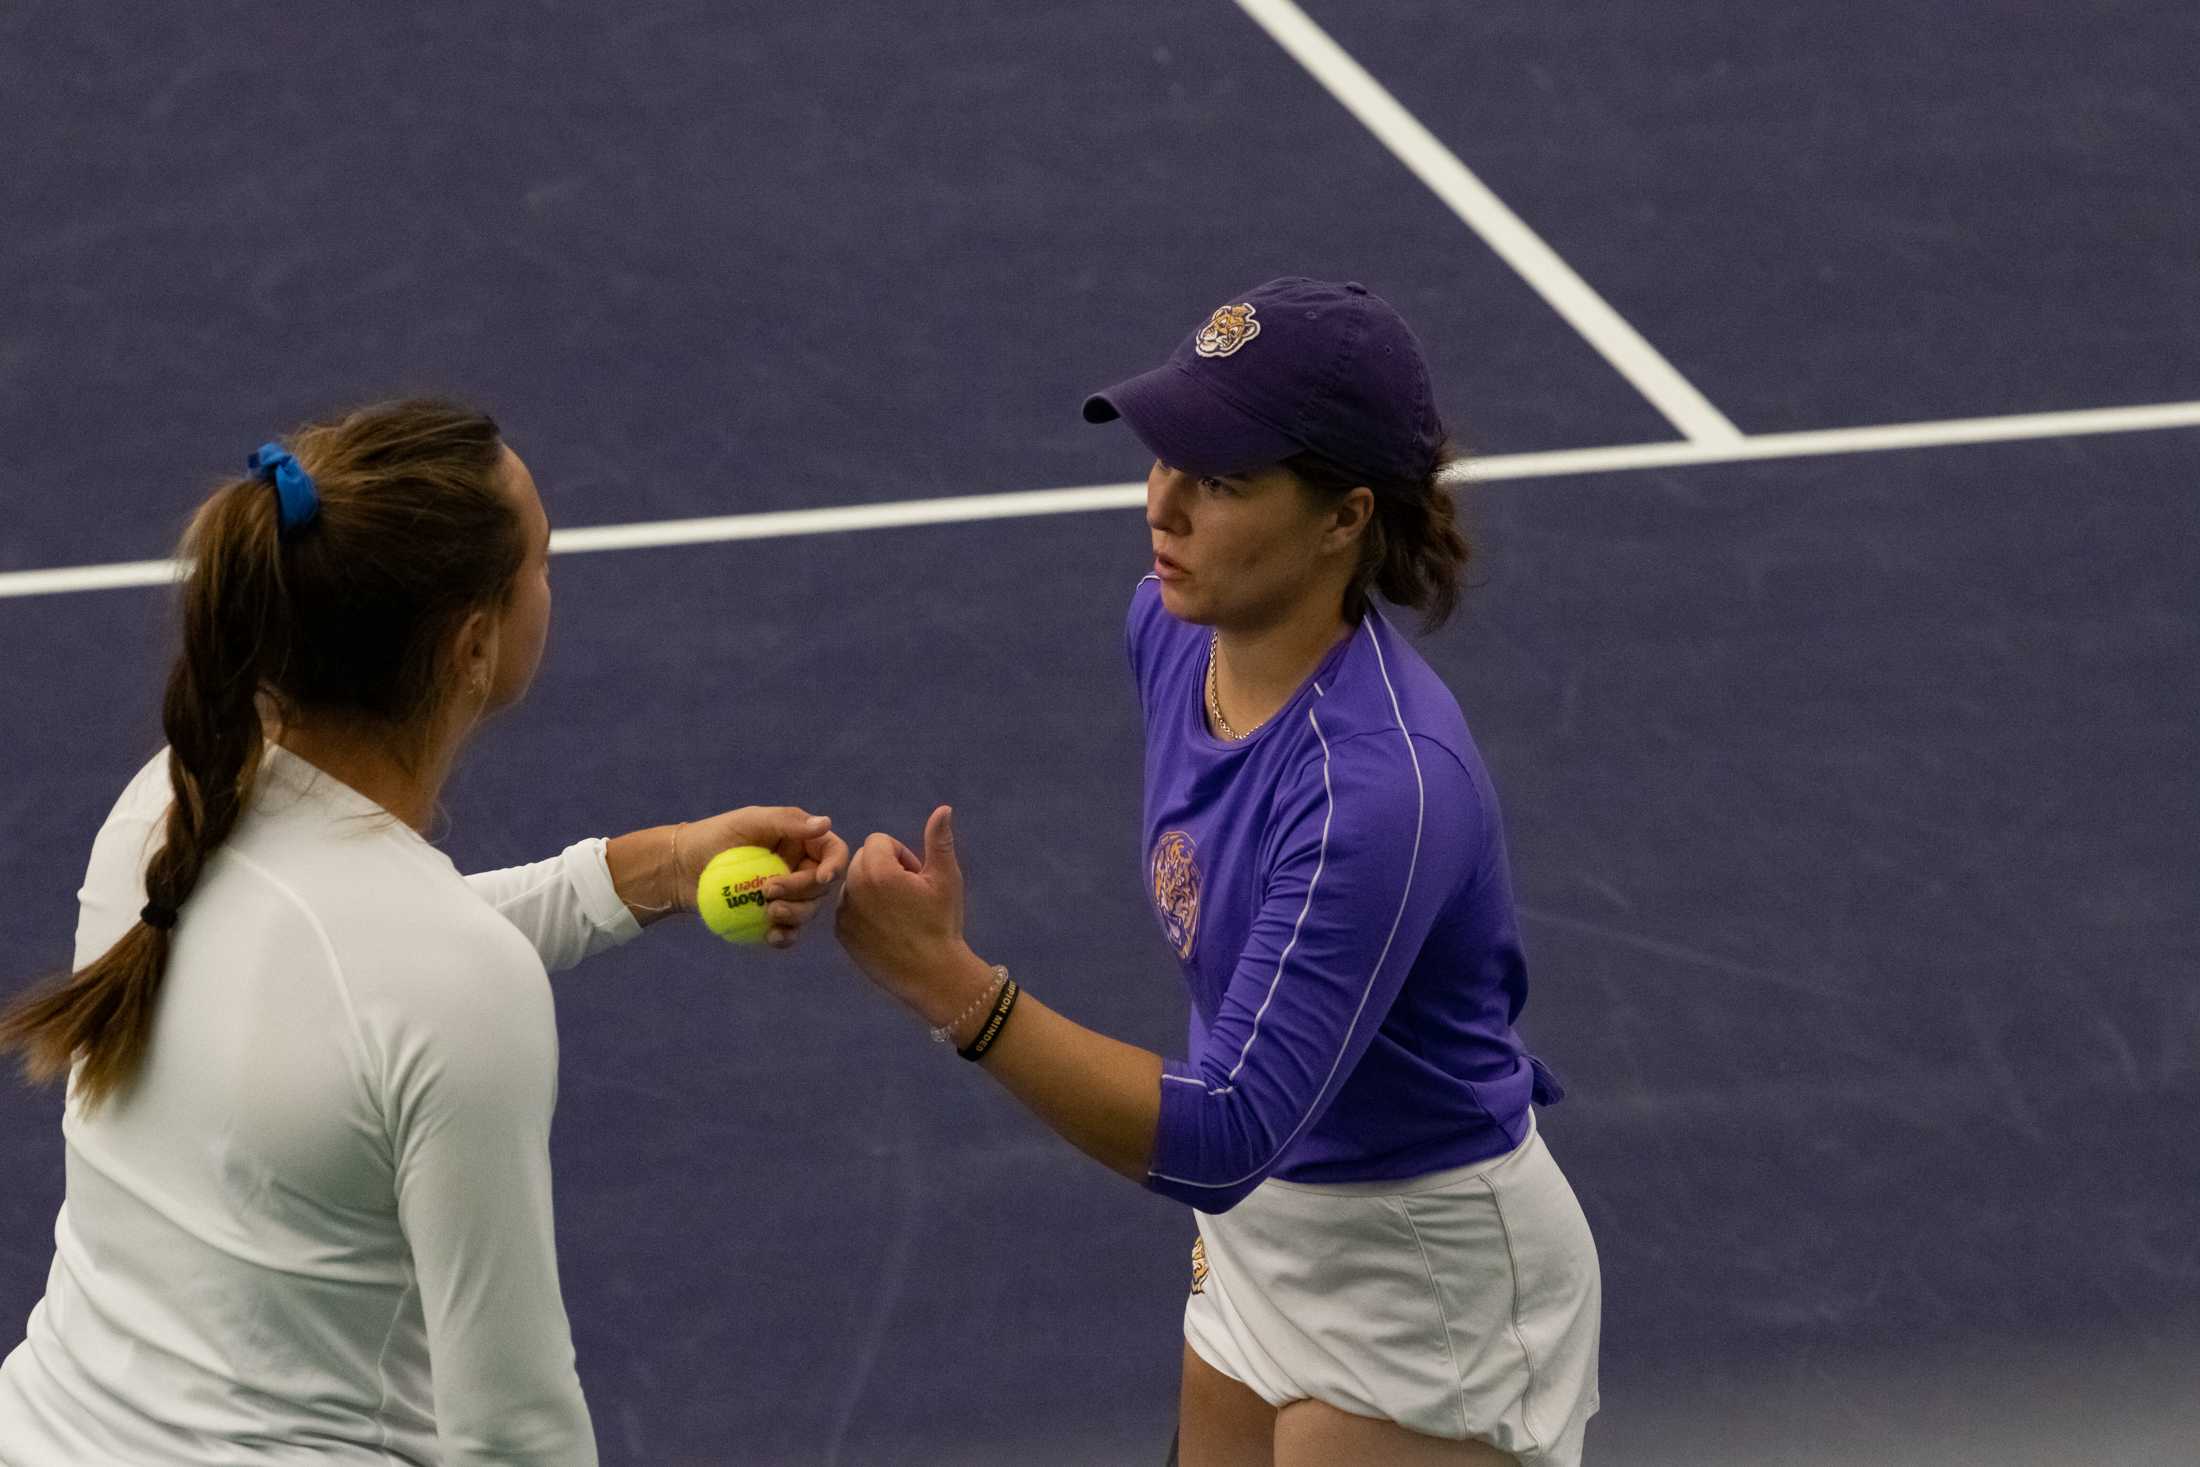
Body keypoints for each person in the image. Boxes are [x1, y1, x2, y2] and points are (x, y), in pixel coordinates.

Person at [834, 279, 1601, 1466]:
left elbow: (1231, 1125)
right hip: (1257, 1238)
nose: (1165, 505)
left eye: (1224, 479)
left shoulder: (1375, 790)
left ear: (1344, 517)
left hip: (1419, 1283)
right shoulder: (1169, 628)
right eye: (1166, 457)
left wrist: (953, 988)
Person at [0, 400, 847, 1466]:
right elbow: (515, 1434)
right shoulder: (451, 985)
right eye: (542, 558)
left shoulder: (170, 808)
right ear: (475, 645)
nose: (553, 578)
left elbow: (355, 993)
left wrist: (655, 869)